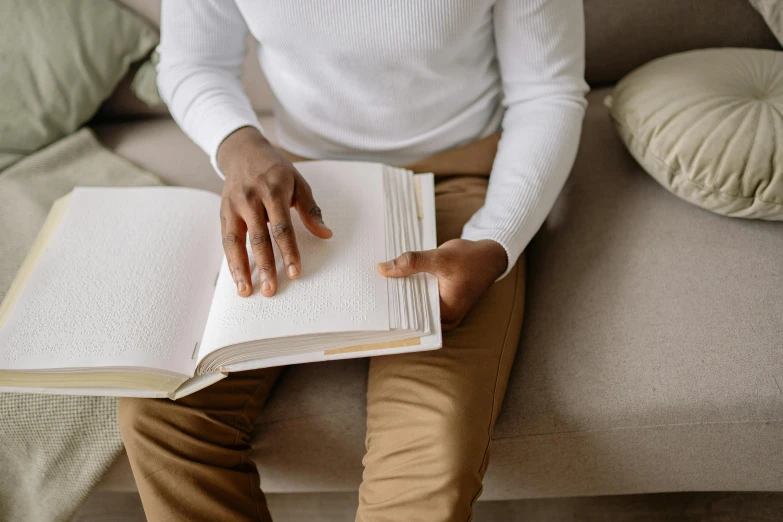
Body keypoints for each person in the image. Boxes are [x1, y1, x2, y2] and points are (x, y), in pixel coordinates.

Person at [118, 1, 588, 520]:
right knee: (160, 413)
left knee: (430, 450)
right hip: (301, 190)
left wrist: (495, 242)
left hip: (454, 185)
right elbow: (193, 60)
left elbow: (549, 91)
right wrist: (238, 145)